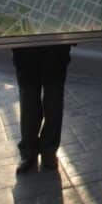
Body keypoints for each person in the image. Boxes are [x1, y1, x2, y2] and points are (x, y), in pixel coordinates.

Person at [12, 43, 72, 174]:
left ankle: (49, 151)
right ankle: (28, 152)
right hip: (25, 48)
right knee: (28, 100)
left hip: (55, 48)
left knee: (54, 100)